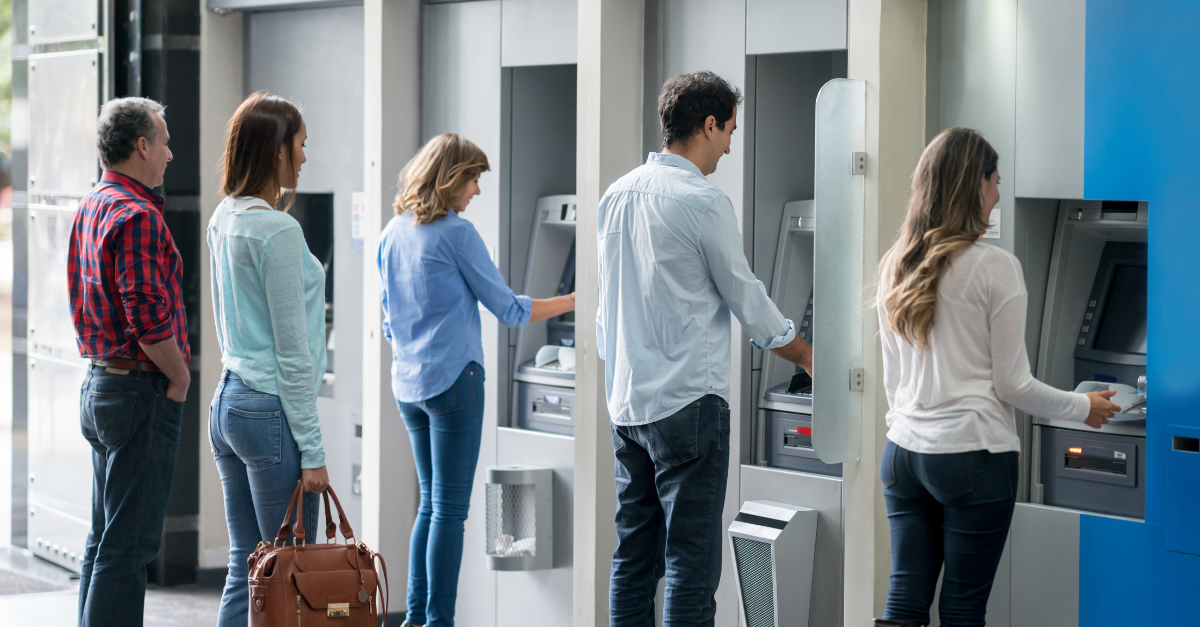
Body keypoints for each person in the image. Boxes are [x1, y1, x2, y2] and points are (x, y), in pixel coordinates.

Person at [872, 127, 1120, 627]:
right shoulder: (995, 268)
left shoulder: (896, 263)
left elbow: (893, 381)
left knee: (904, 601)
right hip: (972, 458)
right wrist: (1083, 408)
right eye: (995, 180)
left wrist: (914, 429)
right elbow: (1013, 384)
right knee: (962, 608)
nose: (1000, 193)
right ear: (974, 185)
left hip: (903, 457)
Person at [596, 71, 814, 627]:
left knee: (633, 561)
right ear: (708, 124)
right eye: (730, 132)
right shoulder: (703, 201)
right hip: (690, 407)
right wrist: (809, 356)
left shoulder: (615, 195)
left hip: (627, 405)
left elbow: (606, 311)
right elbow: (748, 298)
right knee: (691, 567)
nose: (730, 146)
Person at [377, 133, 575, 627]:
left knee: (430, 504)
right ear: (450, 178)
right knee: (449, 511)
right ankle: (439, 622)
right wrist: (575, 300)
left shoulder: (392, 232)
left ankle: (416, 618)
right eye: (473, 178)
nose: (477, 191)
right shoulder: (456, 234)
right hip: (453, 383)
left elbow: (387, 320)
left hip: (409, 385)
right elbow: (509, 309)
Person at [206, 92, 329, 625]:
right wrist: (315, 450)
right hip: (269, 408)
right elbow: (293, 353)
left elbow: (224, 320)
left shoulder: (224, 217)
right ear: (277, 149)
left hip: (230, 401)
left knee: (248, 564)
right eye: (300, 144)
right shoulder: (278, 230)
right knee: (291, 569)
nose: (304, 157)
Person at [69, 97, 190, 626]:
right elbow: (145, 312)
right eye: (163, 141)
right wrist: (181, 375)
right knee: (130, 548)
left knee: (104, 540)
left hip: (100, 384)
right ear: (142, 146)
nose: (169, 152)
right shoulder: (138, 215)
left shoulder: (93, 203)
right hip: (139, 389)